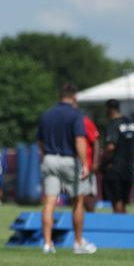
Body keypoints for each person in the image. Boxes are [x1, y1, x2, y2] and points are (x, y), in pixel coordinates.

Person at [37, 83, 96, 254]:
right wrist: (85, 164)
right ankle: (78, 243)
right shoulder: (75, 114)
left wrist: (45, 157)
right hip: (69, 159)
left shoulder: (47, 114)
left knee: (49, 202)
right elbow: (79, 140)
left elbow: (39, 141)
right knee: (78, 200)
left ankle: (48, 244)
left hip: (49, 159)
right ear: (74, 97)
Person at [100, 99, 134, 214]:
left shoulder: (113, 124)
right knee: (123, 201)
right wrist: (133, 160)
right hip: (128, 168)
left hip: (115, 168)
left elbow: (110, 147)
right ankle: (125, 227)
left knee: (116, 201)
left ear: (109, 109)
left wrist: (104, 162)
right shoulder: (132, 124)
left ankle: (120, 228)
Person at [78, 110, 101, 212]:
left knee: (87, 193)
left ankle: (91, 219)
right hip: (73, 163)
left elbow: (96, 141)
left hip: (85, 163)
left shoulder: (84, 122)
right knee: (78, 195)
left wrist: (95, 161)